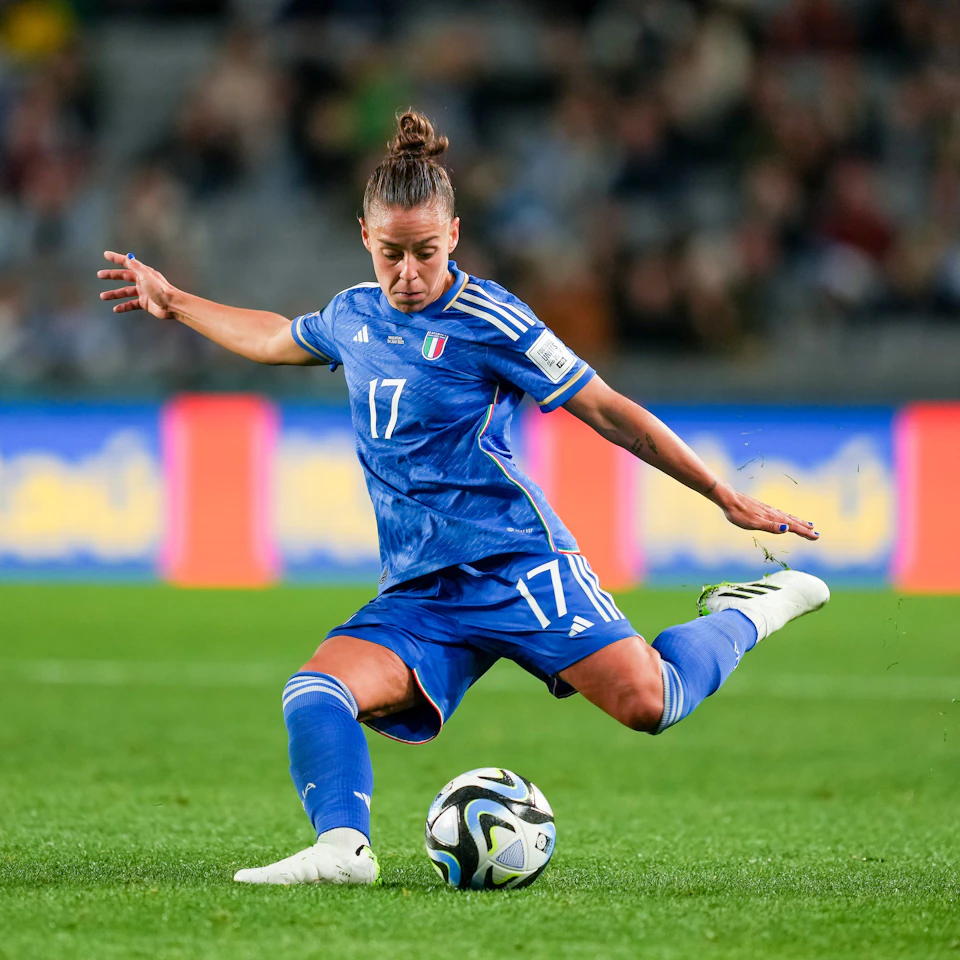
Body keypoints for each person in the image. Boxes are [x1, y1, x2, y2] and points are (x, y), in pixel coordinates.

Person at [97, 111, 827, 887]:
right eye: (391, 252)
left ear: (454, 234)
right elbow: (276, 338)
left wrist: (719, 492)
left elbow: (607, 409)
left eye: (426, 251)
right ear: (365, 237)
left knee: (650, 702)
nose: (408, 272)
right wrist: (175, 302)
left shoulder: (493, 320)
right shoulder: (352, 315)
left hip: (516, 564)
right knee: (315, 689)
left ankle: (747, 610)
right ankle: (343, 850)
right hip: (422, 590)